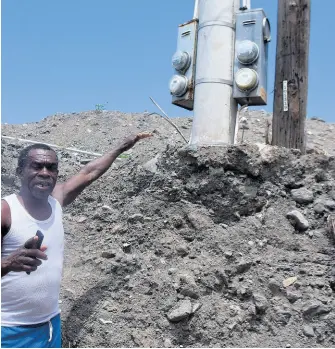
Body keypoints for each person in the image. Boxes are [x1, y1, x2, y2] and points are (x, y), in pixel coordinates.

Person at [1, 132, 151, 348]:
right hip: (9, 330)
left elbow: (89, 173)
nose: (44, 173)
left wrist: (121, 147)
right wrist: (8, 263)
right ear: (19, 171)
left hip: (50, 325)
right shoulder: (6, 212)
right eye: (37, 166)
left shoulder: (57, 200)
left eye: (51, 168)